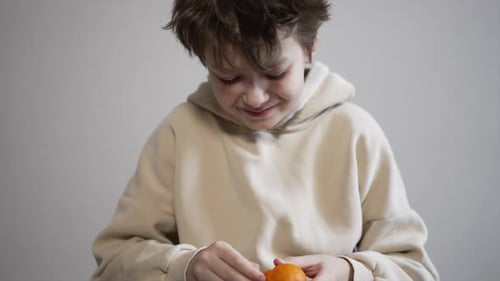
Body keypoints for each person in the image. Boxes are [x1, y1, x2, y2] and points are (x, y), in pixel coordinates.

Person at [91, 0, 439, 280]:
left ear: (309, 48)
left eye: (275, 73)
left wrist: (351, 272)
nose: (255, 98)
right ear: (205, 62)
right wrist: (186, 267)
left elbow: (416, 271)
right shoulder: (179, 133)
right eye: (229, 77)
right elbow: (113, 263)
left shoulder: (355, 134)